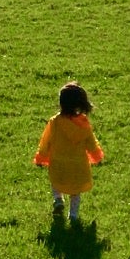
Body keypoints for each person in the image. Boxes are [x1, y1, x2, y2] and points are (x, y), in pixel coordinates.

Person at [33, 81, 104, 221]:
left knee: (56, 181)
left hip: (58, 162)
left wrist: (41, 157)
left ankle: (58, 199)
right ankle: (73, 215)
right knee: (75, 192)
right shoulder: (83, 124)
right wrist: (97, 156)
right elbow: (91, 142)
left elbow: (45, 141)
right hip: (78, 165)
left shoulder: (55, 122)